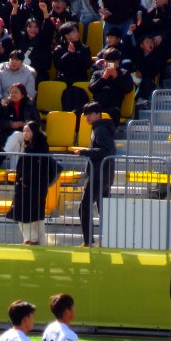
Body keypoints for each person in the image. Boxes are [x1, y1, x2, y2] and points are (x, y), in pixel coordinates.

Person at [7, 122, 58, 245]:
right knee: (25, 212)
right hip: (25, 184)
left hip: (34, 185)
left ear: (34, 132)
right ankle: (32, 238)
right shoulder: (28, 145)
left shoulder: (40, 146)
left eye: (28, 131)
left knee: (31, 212)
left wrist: (26, 180)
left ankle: (33, 238)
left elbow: (38, 166)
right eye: (24, 131)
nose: (25, 133)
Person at [73, 101, 116, 247]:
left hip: (98, 175)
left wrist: (86, 152)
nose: (87, 117)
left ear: (98, 114)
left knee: (84, 207)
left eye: (89, 114)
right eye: (85, 115)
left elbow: (106, 150)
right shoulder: (101, 128)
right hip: (105, 175)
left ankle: (88, 241)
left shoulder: (100, 130)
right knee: (103, 209)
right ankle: (110, 239)